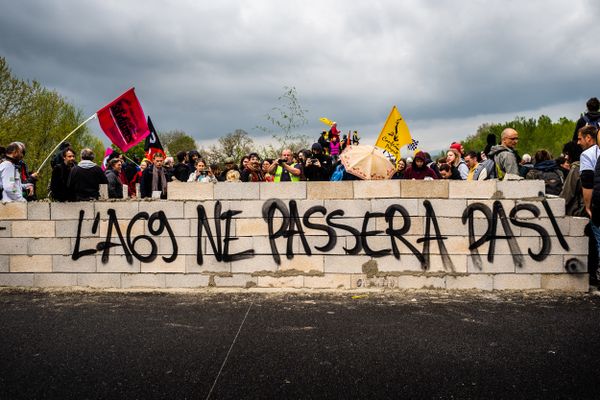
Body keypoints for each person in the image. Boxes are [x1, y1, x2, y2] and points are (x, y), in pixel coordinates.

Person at [560, 141, 585, 217]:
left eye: (567, 154)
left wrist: (556, 205)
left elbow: (567, 194)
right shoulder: (587, 165)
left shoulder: (576, 168)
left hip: (577, 211)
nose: (565, 157)